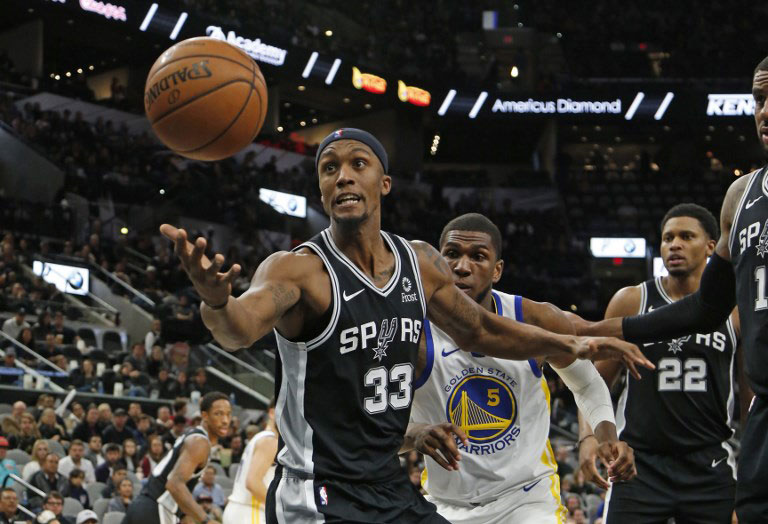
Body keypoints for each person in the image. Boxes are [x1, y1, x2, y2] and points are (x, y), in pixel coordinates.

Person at [160, 128, 648, 523]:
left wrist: (571, 344)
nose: (343, 177)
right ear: (322, 189)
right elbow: (239, 329)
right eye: (330, 169)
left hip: (390, 488)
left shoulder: (419, 263)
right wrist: (215, 300)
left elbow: (480, 329)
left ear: (383, 184)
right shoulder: (297, 270)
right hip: (320, 492)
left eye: (358, 165)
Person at [576, 58, 768, 523]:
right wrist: (601, 329)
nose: (766, 111)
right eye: (760, 99)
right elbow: (706, 308)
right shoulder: (741, 198)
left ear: (705, 245)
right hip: (740, 429)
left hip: (709, 459)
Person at [406, 214, 634, 524]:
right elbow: (373, 430)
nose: (462, 266)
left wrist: (604, 434)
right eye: (452, 254)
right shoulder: (411, 332)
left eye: (477, 256)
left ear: (497, 270)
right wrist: (415, 433)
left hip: (526, 500)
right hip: (445, 505)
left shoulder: (534, 318)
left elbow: (586, 384)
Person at [579, 204, 742, 522]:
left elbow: (752, 395)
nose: (674, 244)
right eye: (668, 238)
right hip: (640, 463)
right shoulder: (632, 300)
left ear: (712, 245)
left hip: (708, 463)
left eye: (686, 236)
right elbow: (592, 382)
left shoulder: (735, 310)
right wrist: (589, 438)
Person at [123, 392, 231, 524]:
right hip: (156, 509)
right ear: (205, 415)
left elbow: (179, 493)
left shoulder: (195, 436)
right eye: (218, 413)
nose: (225, 420)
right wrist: (206, 520)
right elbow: (174, 484)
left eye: (228, 414)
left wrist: (188, 519)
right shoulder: (199, 442)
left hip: (144, 506)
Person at [222, 400, 277, 524]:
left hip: (240, 511)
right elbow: (253, 483)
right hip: (250, 512)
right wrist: (279, 507)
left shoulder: (260, 437)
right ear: (272, 413)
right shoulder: (269, 441)